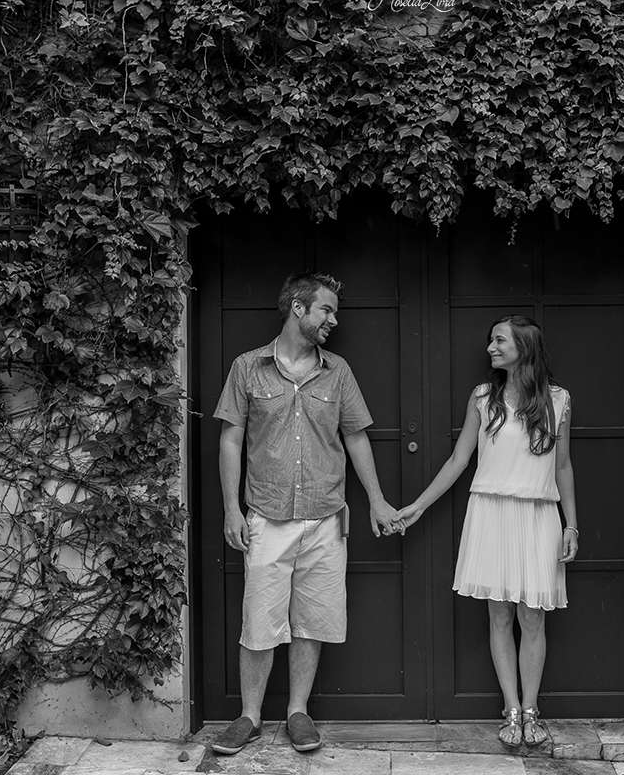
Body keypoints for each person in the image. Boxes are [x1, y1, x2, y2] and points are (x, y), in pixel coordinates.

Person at [211, 272, 403, 756]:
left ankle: (298, 712)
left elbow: (355, 436)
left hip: (325, 517)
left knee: (312, 620)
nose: (333, 320)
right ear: (298, 308)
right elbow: (231, 439)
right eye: (326, 310)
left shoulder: (338, 371)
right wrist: (232, 509)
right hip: (267, 515)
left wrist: (377, 499)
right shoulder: (247, 368)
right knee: (259, 621)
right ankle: (249, 716)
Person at [398, 314, 579, 747]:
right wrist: (418, 506)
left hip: (538, 514)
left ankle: (532, 710)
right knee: (499, 615)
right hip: (491, 512)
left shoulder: (559, 400)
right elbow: (459, 460)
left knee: (532, 617)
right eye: (491, 341)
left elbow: (563, 466)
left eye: (499, 341)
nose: (490, 348)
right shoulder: (483, 397)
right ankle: (511, 709)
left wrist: (572, 524)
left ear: (523, 346)